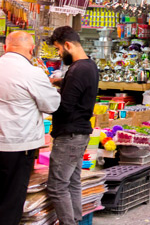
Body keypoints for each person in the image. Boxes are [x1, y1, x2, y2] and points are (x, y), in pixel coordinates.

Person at [0, 31, 61, 224]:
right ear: (31, 49)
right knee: (11, 198)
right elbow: (52, 105)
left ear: (5, 47)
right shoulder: (32, 73)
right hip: (18, 144)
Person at [46, 26, 99, 225]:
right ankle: (76, 220)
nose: (59, 54)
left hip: (70, 135)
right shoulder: (89, 65)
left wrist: (45, 101)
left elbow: (66, 106)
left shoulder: (77, 70)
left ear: (67, 45)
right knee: (73, 182)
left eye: (58, 49)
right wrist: (59, 82)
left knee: (57, 186)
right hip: (80, 133)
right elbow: (76, 89)